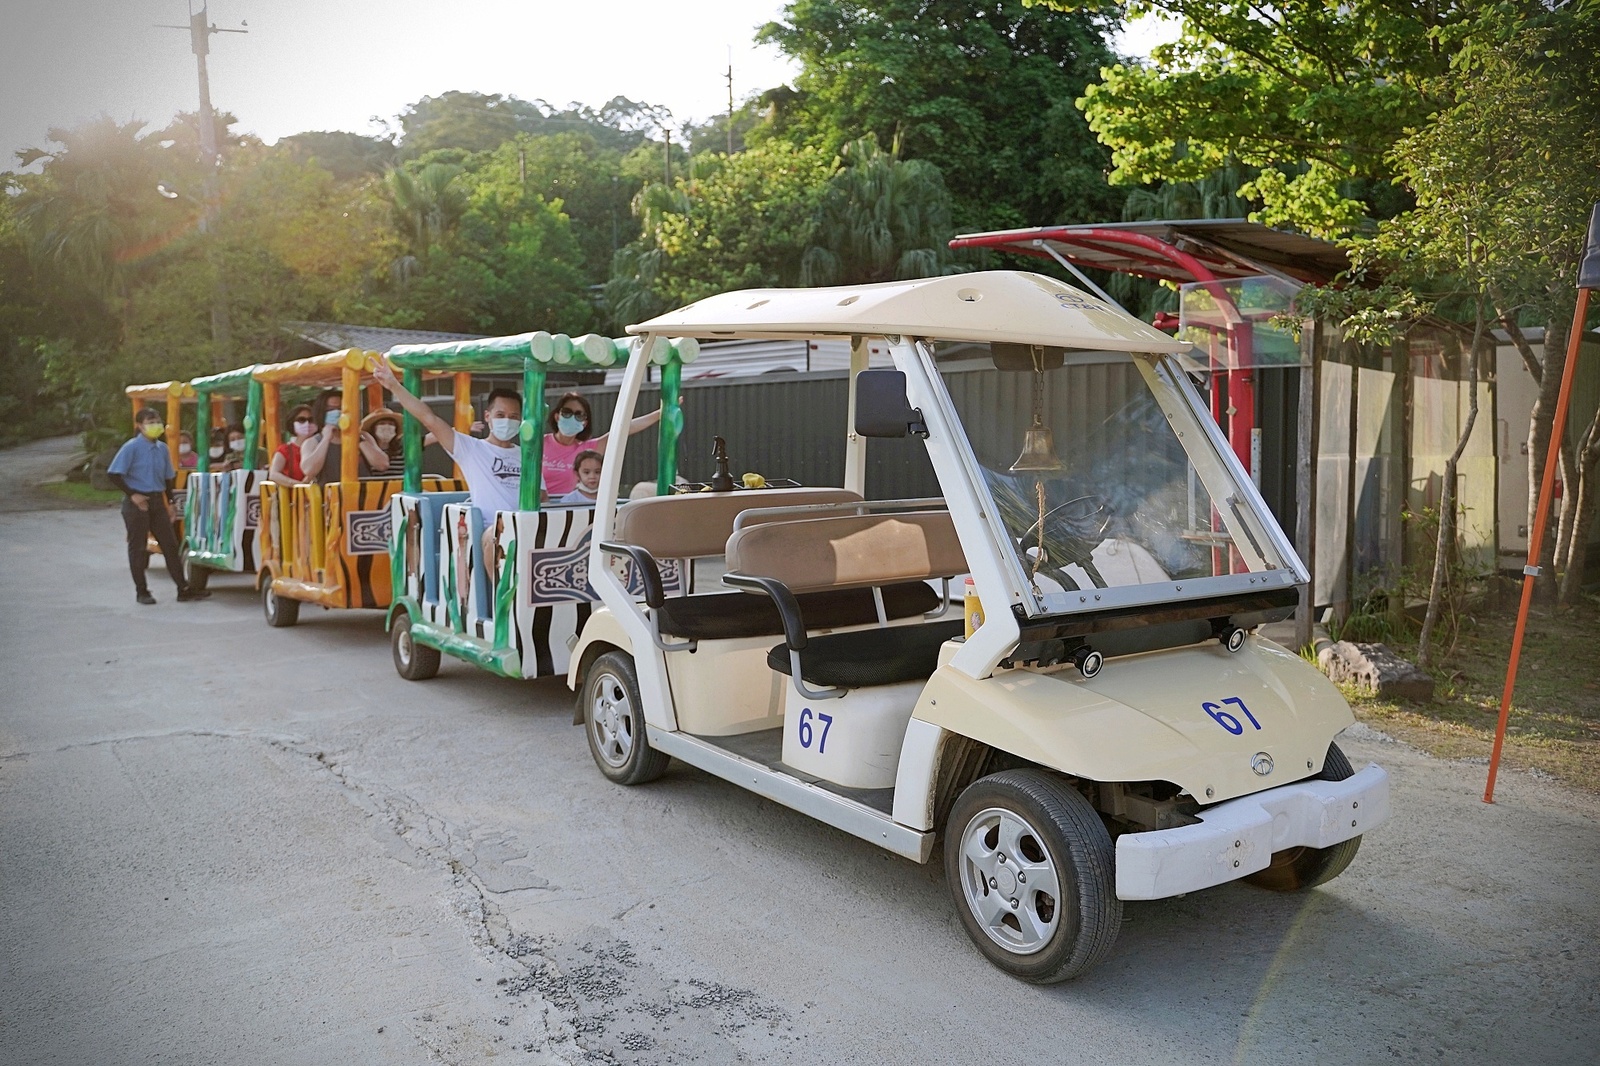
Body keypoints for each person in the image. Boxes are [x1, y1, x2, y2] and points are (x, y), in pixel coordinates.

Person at [371, 357, 532, 571]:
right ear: (488, 416)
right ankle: (501, 603)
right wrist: (393, 385)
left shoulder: (528, 456)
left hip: (526, 528)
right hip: (489, 530)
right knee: (498, 538)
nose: (507, 421)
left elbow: (542, 496)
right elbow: (429, 418)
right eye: (500, 415)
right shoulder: (471, 449)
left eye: (513, 416)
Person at [106, 406, 210, 605]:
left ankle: (183, 588)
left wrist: (170, 502)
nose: (155, 425)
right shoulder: (131, 447)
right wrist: (133, 494)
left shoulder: (162, 448)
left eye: (156, 421)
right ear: (139, 426)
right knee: (138, 548)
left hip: (157, 501)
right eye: (149, 422)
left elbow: (168, 477)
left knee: (170, 546)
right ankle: (142, 591)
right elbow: (113, 474)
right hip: (137, 502)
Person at [541, 391, 664, 498]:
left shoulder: (587, 451)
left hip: (569, 508)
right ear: (557, 416)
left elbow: (624, 429)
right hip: (538, 509)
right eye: (567, 412)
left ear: (584, 423)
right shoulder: (540, 443)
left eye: (579, 415)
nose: (572, 418)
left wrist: (660, 413)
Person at [300, 389, 389, 484]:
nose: (337, 413)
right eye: (330, 410)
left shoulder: (364, 437)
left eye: (340, 408)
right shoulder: (312, 442)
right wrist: (326, 439)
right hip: (330, 496)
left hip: (363, 495)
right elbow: (309, 470)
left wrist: (357, 438)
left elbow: (382, 465)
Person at [269, 406, 316, 487]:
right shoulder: (285, 450)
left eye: (311, 420)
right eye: (301, 420)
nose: (307, 423)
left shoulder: (322, 447)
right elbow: (273, 474)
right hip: (293, 497)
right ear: (292, 424)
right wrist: (299, 485)